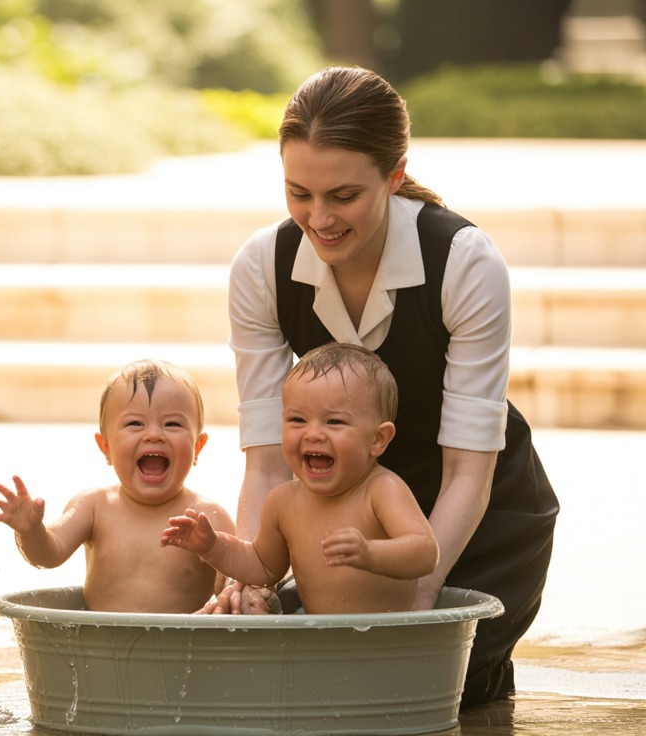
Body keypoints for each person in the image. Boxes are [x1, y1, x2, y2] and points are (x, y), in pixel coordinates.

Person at [222, 65, 558, 703]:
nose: (318, 219)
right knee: (302, 687)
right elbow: (267, 461)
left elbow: (469, 471)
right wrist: (254, 579)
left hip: (478, 516)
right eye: (299, 193)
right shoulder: (261, 268)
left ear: (395, 174)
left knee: (447, 694)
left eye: (343, 196)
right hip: (342, 510)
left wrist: (416, 608)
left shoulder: (465, 261)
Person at [162, 343, 438, 614]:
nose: (313, 433)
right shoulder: (284, 502)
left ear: (377, 440)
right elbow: (261, 566)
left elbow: (425, 552)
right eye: (297, 420)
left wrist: (371, 553)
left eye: (334, 422)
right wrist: (213, 547)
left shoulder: (381, 490)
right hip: (319, 643)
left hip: (392, 643)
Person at [0, 359, 235, 614]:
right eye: (135, 424)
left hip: (183, 650)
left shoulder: (208, 516)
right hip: (101, 648)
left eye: (172, 424)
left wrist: (229, 585)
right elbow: (49, 555)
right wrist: (31, 532)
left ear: (197, 447)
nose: (153, 434)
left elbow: (237, 581)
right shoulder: (94, 506)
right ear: (105, 447)